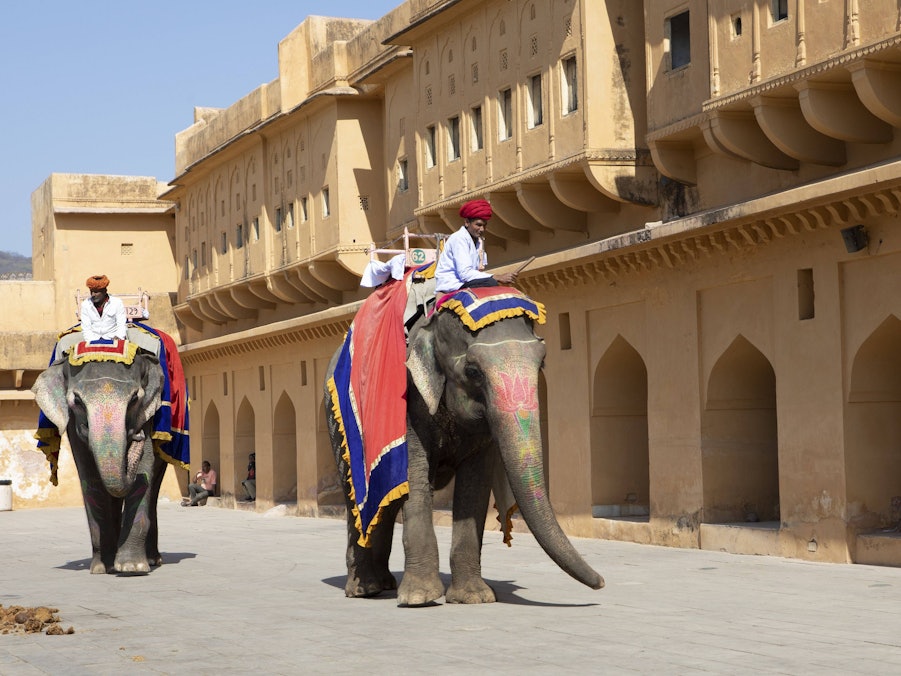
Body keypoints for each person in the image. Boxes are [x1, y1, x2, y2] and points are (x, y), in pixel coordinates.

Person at [434, 199, 518, 294]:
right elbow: (465, 274)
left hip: (467, 283)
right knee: (491, 282)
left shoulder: (478, 241)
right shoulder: (459, 238)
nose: (482, 229)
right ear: (467, 222)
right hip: (453, 285)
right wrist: (497, 277)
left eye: (484, 225)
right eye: (478, 225)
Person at [80, 275, 127, 342]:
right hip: (93, 339)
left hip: (112, 338)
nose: (93, 295)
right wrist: (93, 342)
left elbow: (121, 324)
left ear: (104, 291)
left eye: (96, 292)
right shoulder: (85, 305)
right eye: (91, 291)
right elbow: (86, 328)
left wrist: (119, 337)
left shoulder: (117, 303)